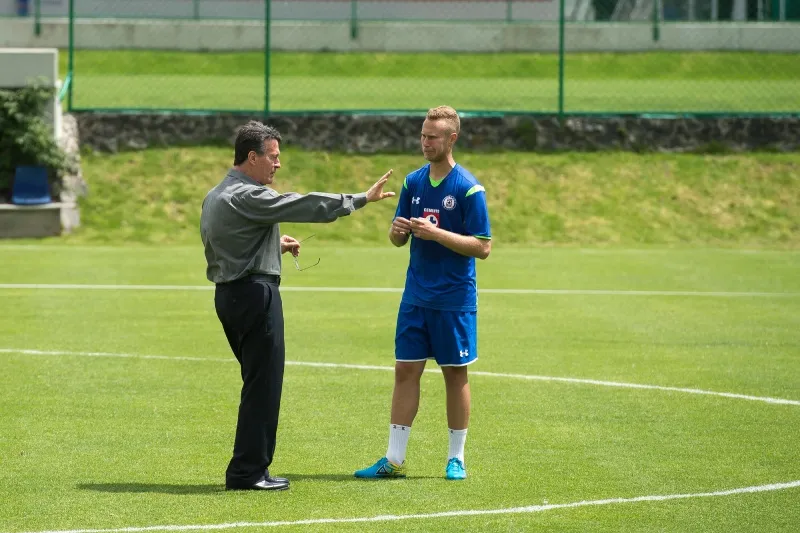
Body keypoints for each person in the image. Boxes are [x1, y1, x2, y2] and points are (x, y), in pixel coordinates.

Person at [201, 120, 395, 491]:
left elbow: (229, 246)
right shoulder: (249, 196)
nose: (277, 165)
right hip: (256, 295)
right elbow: (302, 203)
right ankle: (248, 472)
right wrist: (359, 199)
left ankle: (249, 467)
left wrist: (273, 246)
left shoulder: (216, 194)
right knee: (264, 386)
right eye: (272, 157)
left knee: (256, 383)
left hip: (230, 296)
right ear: (252, 156)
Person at [354, 105, 491, 481]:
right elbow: (397, 239)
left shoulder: (468, 188)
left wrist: (438, 235)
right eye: (423, 135)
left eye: (432, 137)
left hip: (453, 298)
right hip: (415, 295)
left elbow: (483, 246)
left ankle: (456, 459)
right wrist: (398, 231)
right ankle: (393, 459)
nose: (425, 142)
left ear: (452, 139)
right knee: (404, 371)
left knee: (454, 374)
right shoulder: (413, 183)